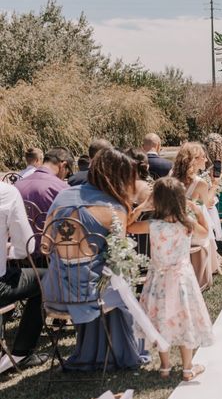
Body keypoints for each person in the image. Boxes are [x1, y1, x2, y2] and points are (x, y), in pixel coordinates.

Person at [42, 148, 146, 370]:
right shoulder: (114, 207)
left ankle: (92, 348)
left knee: (104, 276)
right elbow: (119, 255)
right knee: (121, 282)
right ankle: (119, 351)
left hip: (55, 291)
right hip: (90, 295)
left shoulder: (62, 196)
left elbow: (45, 245)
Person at [128, 177, 214, 381]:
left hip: (158, 280)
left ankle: (165, 366)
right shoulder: (187, 224)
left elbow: (128, 227)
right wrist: (197, 209)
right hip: (182, 279)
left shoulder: (152, 225)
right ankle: (187, 367)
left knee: (161, 319)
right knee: (185, 319)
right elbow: (206, 232)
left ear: (156, 200)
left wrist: (141, 207)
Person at [0, 182, 46, 374]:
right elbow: (26, 247)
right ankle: (22, 351)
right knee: (46, 278)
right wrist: (11, 252)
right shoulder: (6, 192)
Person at [172, 142, 220, 286]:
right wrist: (215, 184)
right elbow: (208, 203)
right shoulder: (200, 183)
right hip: (191, 231)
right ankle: (212, 264)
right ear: (194, 159)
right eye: (203, 157)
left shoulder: (171, 177)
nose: (206, 160)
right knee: (206, 227)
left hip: (174, 227)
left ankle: (217, 260)